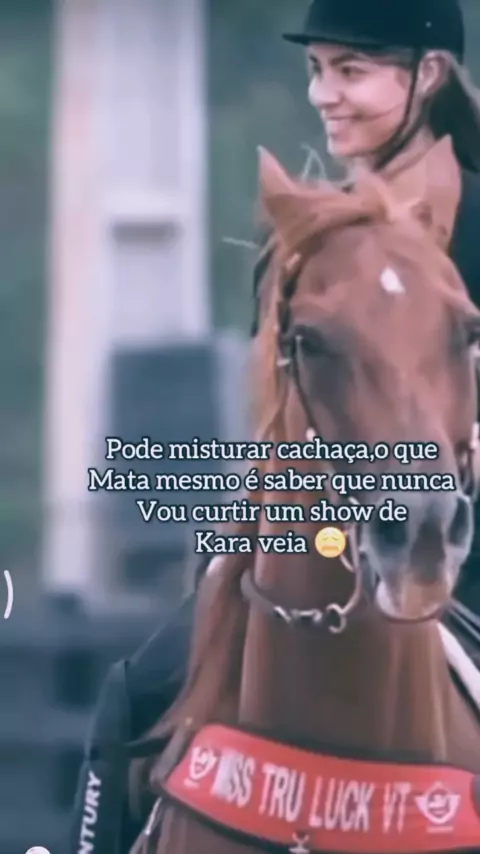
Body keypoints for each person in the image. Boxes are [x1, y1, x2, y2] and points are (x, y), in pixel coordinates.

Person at [69, 1, 480, 851]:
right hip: (310, 539)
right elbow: (274, 415)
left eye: (352, 71)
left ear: (429, 75)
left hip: (454, 538)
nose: (326, 94)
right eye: (317, 70)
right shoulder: (302, 231)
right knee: (131, 697)